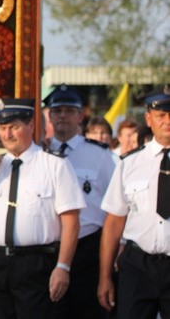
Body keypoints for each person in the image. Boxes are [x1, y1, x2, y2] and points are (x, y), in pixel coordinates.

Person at [0, 98, 85, 318]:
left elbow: (71, 222)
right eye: (2, 128)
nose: (7, 134)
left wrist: (63, 267)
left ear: (30, 126)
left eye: (14, 127)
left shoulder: (55, 164)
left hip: (36, 264)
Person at [44, 84, 115, 319]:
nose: (62, 115)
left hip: (88, 249)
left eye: (68, 110)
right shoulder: (39, 154)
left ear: (80, 116)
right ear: (49, 116)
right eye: (57, 111)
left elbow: (115, 204)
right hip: (50, 249)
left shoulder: (100, 154)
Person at [98, 86, 170, 318]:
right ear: (149, 119)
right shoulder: (130, 163)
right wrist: (105, 277)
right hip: (138, 265)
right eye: (161, 115)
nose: (167, 121)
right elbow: (114, 222)